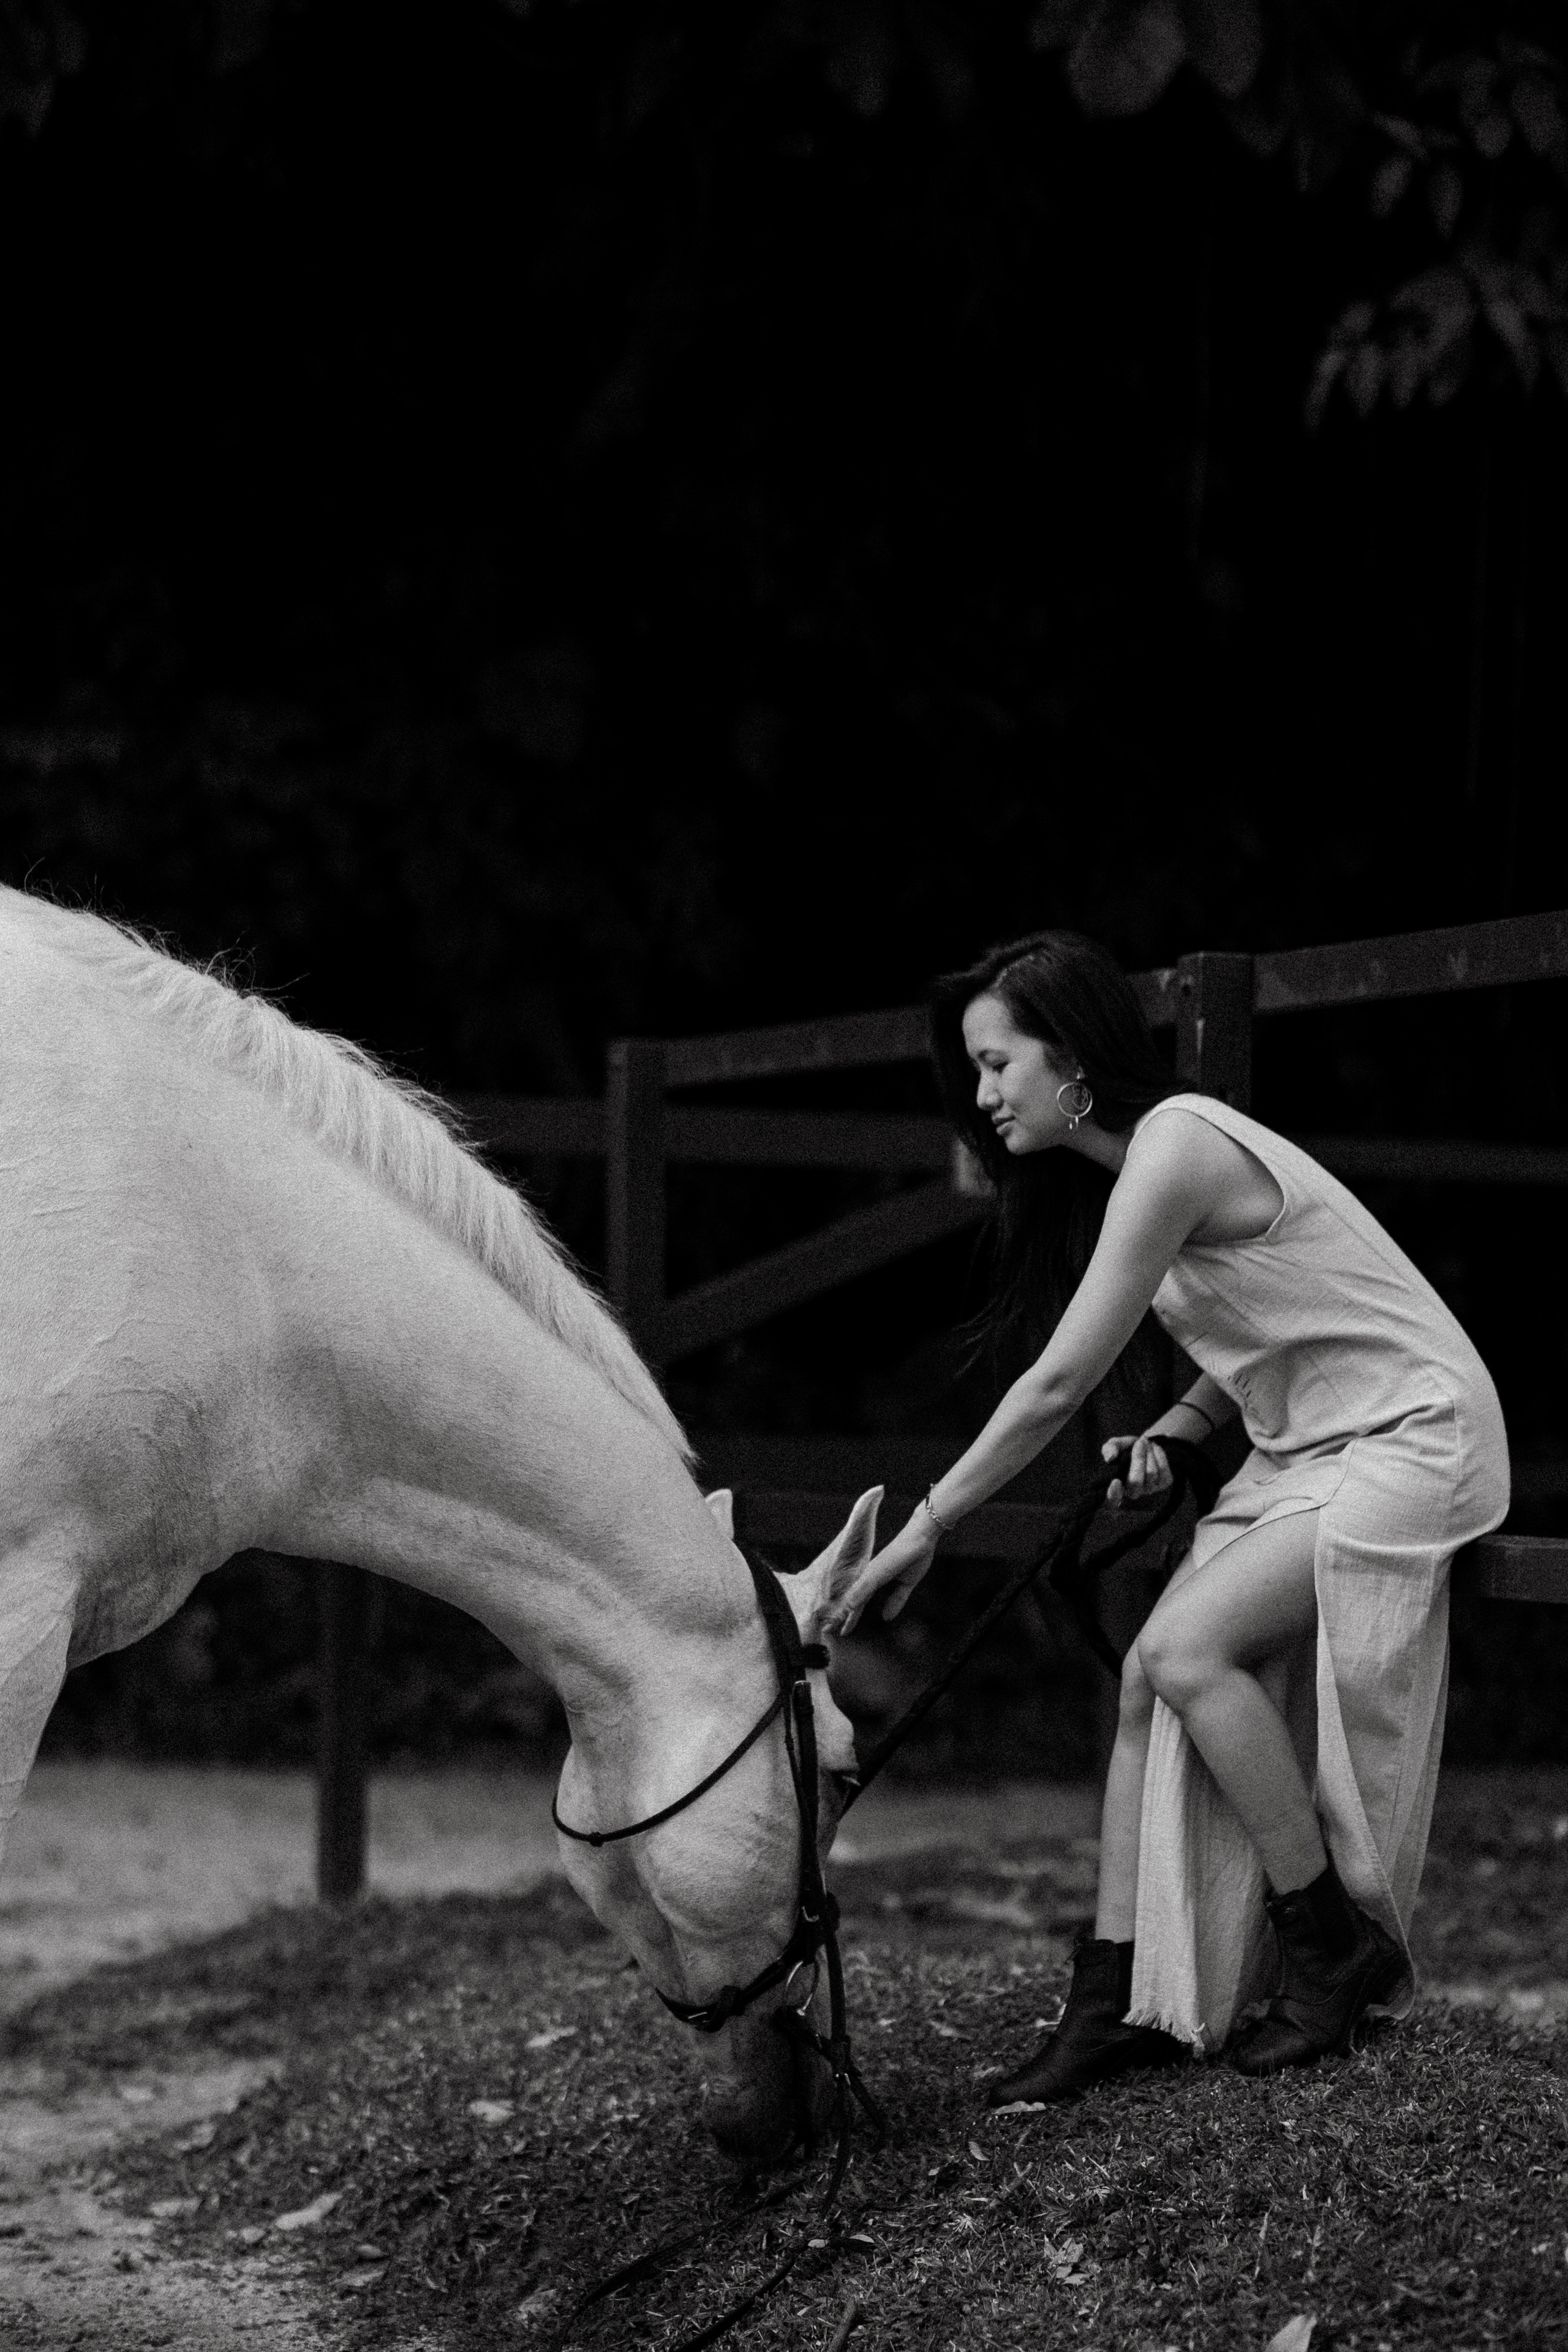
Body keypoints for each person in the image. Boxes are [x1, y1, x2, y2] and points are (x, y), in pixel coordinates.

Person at [834, 929, 1509, 2101]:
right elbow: (1280, 1324)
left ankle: (1330, 1950)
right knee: (1149, 1677)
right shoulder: (1141, 1166)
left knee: (1188, 1649)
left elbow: (1054, 1383)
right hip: (1314, 1445)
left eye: (997, 1064)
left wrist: (928, 1527)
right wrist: (1183, 1433)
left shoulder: (1176, 1146)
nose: (983, 1097)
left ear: (1070, 1056)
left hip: (1416, 1436)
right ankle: (1115, 1997)